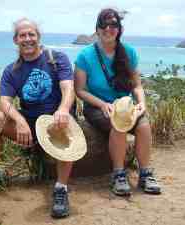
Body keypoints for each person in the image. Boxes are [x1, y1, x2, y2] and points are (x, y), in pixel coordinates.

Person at [0, 18, 75, 218]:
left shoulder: (57, 59)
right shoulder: (12, 71)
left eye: (31, 34)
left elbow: (68, 88)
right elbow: (4, 102)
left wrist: (64, 108)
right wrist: (20, 121)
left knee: (64, 125)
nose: (27, 39)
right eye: (22, 35)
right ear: (16, 40)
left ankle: (61, 189)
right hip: (30, 126)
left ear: (38, 37)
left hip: (55, 122)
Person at [74, 8, 161, 196]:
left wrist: (142, 105)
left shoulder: (129, 52)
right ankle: (119, 174)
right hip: (98, 107)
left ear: (119, 29)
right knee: (118, 125)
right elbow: (79, 90)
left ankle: (145, 173)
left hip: (126, 106)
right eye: (103, 25)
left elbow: (137, 86)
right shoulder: (85, 56)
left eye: (113, 24)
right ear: (97, 30)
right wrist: (102, 104)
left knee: (144, 125)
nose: (108, 28)